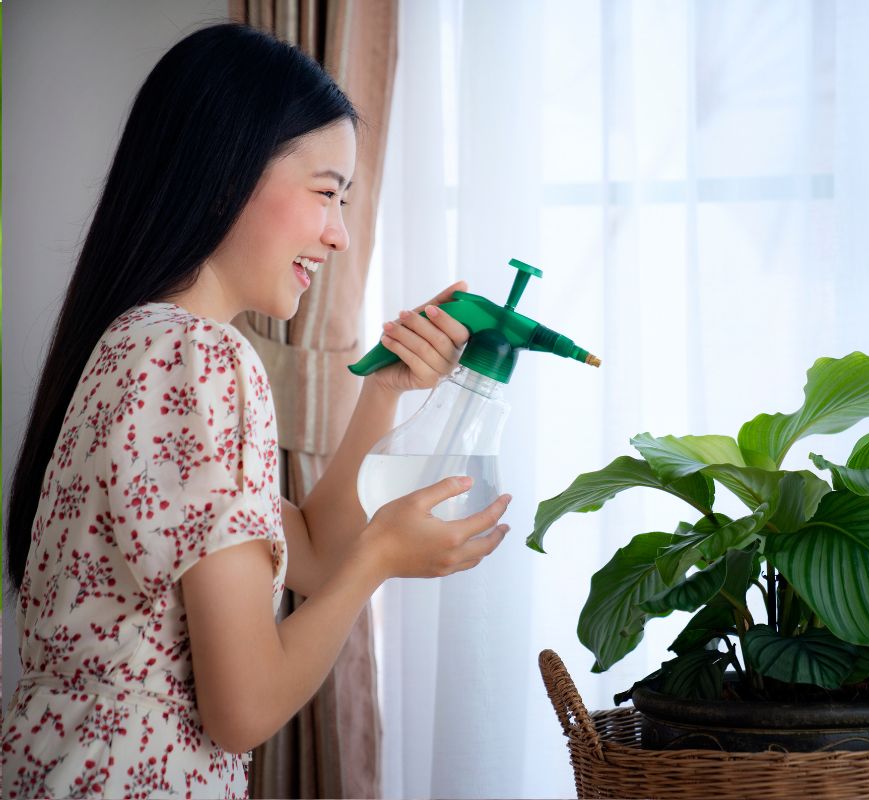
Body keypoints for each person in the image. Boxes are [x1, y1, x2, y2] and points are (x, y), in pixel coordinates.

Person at [1, 22, 510, 799]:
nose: (339, 235)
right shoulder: (200, 358)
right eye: (326, 193)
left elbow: (306, 548)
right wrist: (380, 560)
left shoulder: (136, 346)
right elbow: (244, 709)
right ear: (224, 173)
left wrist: (384, 391)